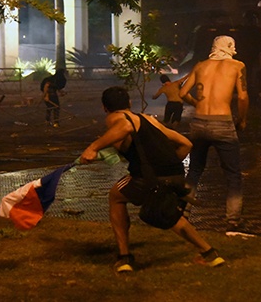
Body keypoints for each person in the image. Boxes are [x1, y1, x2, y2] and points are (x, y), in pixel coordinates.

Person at [79, 86, 225, 273]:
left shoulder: (117, 118)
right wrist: (166, 168)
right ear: (130, 103)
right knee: (169, 215)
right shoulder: (146, 119)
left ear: (104, 108)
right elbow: (186, 143)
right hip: (175, 174)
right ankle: (210, 254)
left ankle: (124, 258)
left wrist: (93, 147)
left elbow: (124, 127)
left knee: (116, 196)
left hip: (149, 178)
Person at [179, 35, 249, 236]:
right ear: (231, 47)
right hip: (222, 123)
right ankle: (233, 223)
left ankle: (183, 215)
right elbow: (243, 96)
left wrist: (197, 104)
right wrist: (242, 120)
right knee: (233, 175)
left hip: (199, 123)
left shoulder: (201, 66)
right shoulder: (237, 66)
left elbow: (183, 93)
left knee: (194, 171)